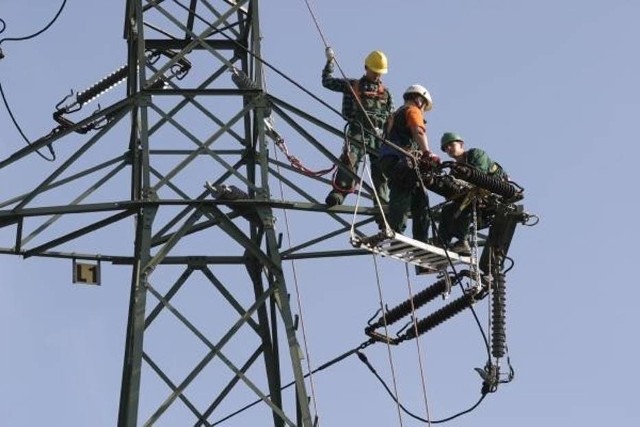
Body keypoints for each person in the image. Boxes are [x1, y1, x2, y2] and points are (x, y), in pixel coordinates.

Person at [322, 48, 394, 207]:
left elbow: (391, 117)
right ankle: (338, 193)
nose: (377, 75)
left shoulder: (386, 94)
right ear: (366, 68)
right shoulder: (352, 85)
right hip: (358, 131)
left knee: (381, 171)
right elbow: (327, 82)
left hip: (379, 136)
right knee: (350, 160)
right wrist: (330, 63)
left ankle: (382, 207)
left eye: (380, 72)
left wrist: (388, 136)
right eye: (375, 71)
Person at [378, 84, 439, 242]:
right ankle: (396, 231)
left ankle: (421, 240)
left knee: (420, 198)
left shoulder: (394, 115)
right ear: (419, 100)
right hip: (399, 159)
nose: (423, 110)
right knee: (403, 191)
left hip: (389, 160)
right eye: (424, 106)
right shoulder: (412, 110)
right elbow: (418, 130)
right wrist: (427, 152)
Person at [437, 132, 508, 255]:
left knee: (466, 203)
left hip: (494, 192)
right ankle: (442, 243)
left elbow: (479, 175)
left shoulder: (475, 154)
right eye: (445, 148)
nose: (448, 149)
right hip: (474, 196)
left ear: (461, 144)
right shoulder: (454, 171)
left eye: (450, 145)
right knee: (447, 210)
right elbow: (453, 194)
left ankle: (462, 242)